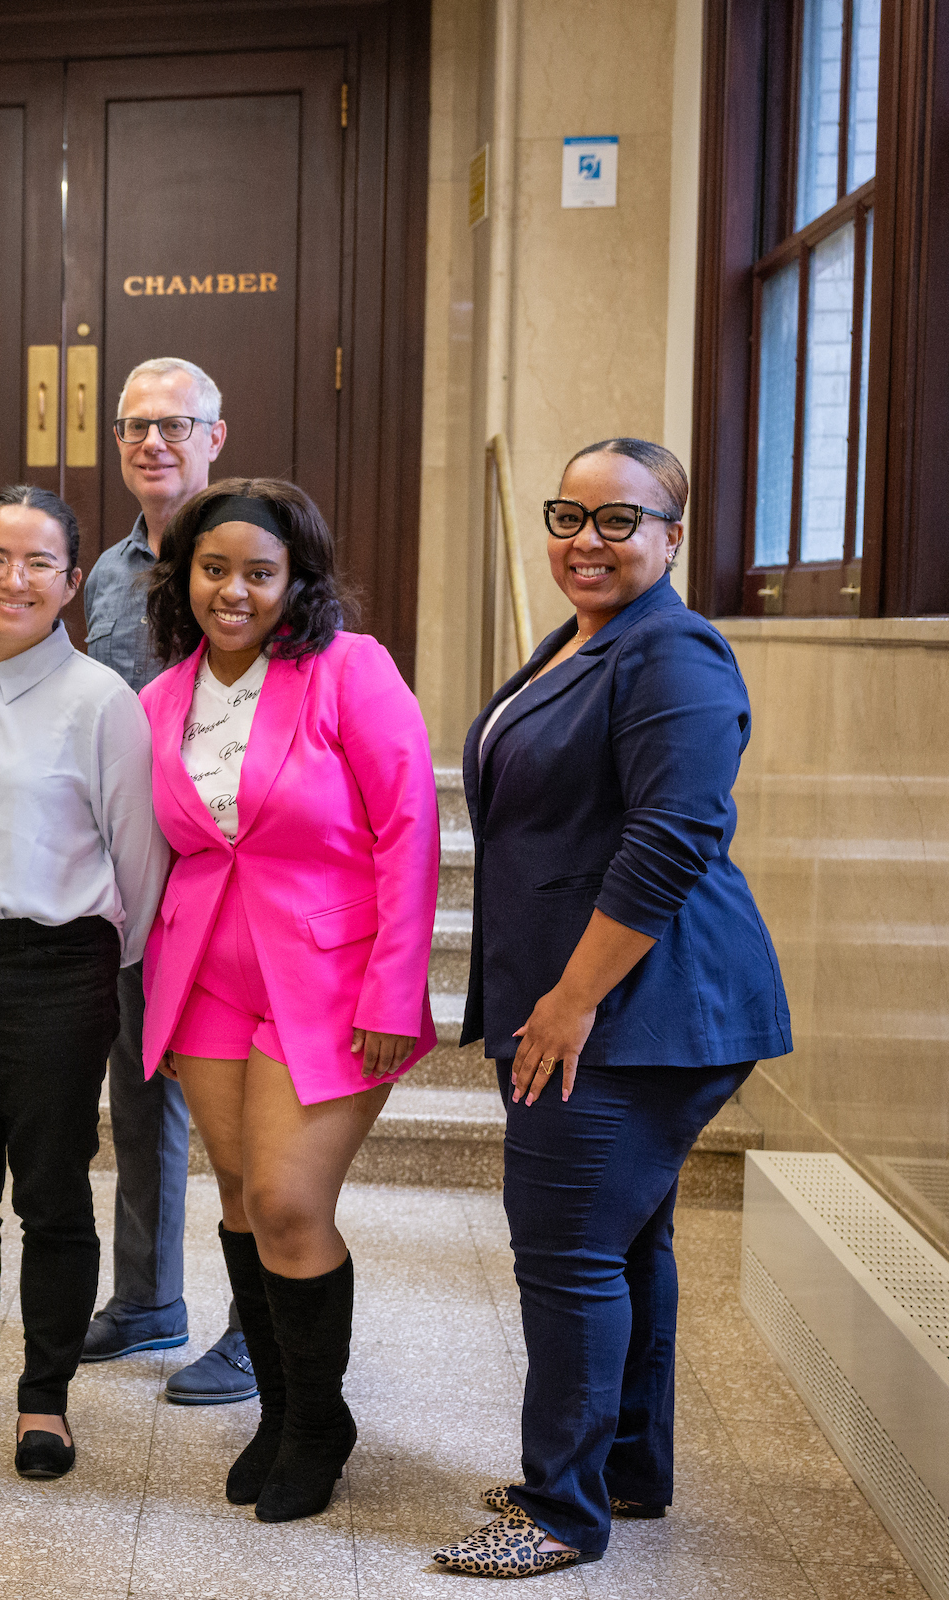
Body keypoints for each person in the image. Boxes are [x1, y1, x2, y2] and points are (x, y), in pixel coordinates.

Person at [429, 439, 791, 1579]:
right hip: (606, 1001)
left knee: (569, 1251)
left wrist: (570, 1002)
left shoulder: (676, 654)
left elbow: (670, 840)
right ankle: (625, 1467)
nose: (588, 538)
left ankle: (559, 1511)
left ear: (672, 538)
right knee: (625, 1244)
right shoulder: (584, 640)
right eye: (570, 514)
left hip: (638, 1010)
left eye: (620, 520)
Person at [138, 477, 438, 1523]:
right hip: (207, 975)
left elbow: (410, 831)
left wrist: (397, 986)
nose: (235, 591)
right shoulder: (162, 697)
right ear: (184, 578)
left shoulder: (349, 670)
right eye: (214, 569)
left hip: (334, 977)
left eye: (259, 573)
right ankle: (278, 1406)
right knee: (235, 1191)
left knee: (289, 1201)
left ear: (294, 580)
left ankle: (322, 1423)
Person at [0, 486, 168, 1480]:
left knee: (51, 1191)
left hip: (58, 968)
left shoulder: (103, 702)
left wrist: (99, 968)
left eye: (40, 563)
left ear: (71, 581)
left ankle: (45, 1394)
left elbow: (138, 862)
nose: (15, 579)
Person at [79, 355, 254, 1406]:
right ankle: (146, 1295)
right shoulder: (102, 574)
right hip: (135, 876)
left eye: (176, 424)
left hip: (233, 881)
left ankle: (254, 1325)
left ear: (215, 436)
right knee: (136, 1090)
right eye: (136, 425)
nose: (154, 441)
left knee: (238, 1114)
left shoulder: (250, 553)